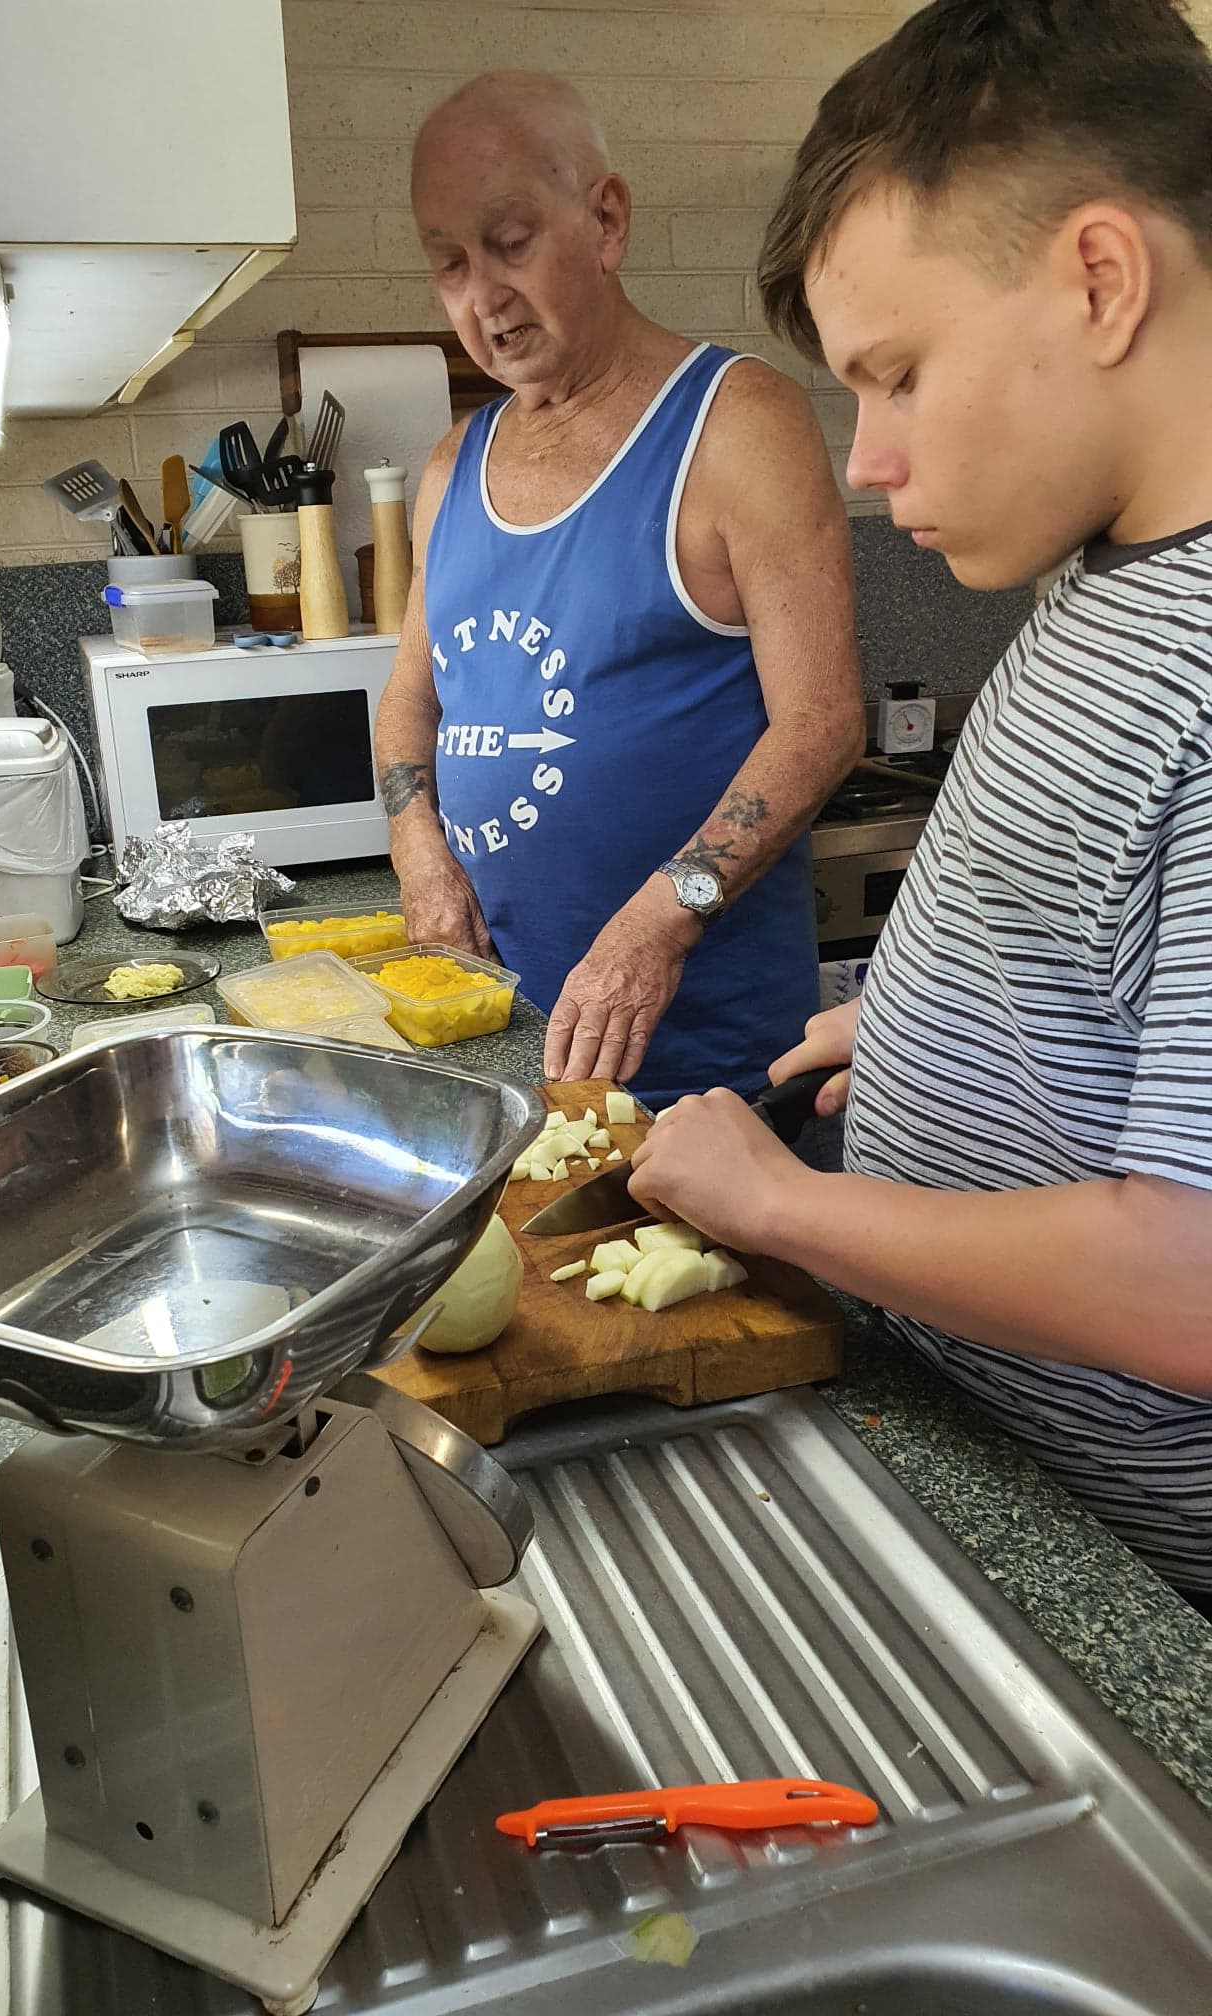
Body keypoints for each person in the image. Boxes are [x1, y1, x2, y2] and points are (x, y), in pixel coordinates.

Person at [630, 0, 1212, 1606]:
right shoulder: (1111, 577)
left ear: (1102, 279)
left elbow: (1193, 1285)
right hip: (996, 1469)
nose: (868, 457)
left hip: (1136, 1597)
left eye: (895, 375)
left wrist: (784, 1209)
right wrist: (928, 1025)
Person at [374, 72, 865, 1107]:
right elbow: (410, 701)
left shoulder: (737, 424)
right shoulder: (450, 465)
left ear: (605, 220)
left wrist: (661, 919)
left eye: (508, 242)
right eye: (448, 264)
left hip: (705, 1066)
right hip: (505, 1043)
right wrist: (421, 857)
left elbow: (821, 722)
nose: (481, 297)